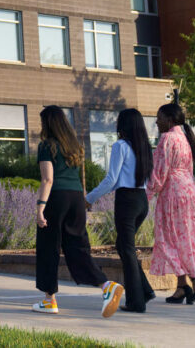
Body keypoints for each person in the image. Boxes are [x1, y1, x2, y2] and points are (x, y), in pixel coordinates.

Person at [33, 105, 123, 318]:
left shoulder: (47, 145)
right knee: (77, 247)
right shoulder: (74, 146)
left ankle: (49, 300)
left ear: (48, 124)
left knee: (48, 247)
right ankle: (106, 284)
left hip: (57, 197)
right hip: (76, 198)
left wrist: (40, 208)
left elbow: (48, 179)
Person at [86, 108, 156, 312]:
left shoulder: (120, 146)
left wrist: (89, 198)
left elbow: (111, 180)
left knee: (126, 248)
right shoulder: (144, 148)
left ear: (122, 125)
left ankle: (136, 302)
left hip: (127, 201)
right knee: (123, 246)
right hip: (141, 200)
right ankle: (145, 290)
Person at [147, 103, 195, 304]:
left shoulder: (167, 139)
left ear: (169, 120)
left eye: (159, 117)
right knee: (189, 236)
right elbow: (188, 169)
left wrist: (147, 194)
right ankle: (186, 284)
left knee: (168, 238)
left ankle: (191, 279)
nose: (156, 121)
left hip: (173, 193)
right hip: (188, 191)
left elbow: (160, 172)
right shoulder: (185, 139)